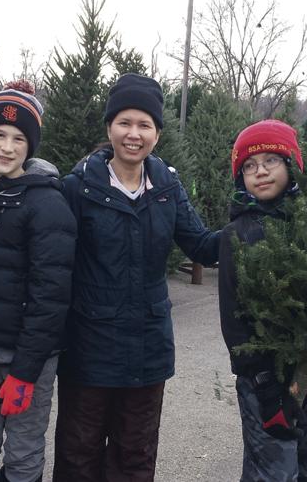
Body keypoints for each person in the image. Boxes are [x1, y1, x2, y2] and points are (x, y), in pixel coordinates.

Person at [53, 73, 220, 481]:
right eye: (125, 122)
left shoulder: (167, 188)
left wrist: (254, 221)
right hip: (88, 351)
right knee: (79, 456)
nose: (134, 134)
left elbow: (201, 245)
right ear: (109, 127)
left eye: (144, 125)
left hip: (148, 351)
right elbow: (54, 265)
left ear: (157, 134)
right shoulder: (78, 189)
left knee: (136, 457)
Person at [0, 80, 76, 482]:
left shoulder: (46, 203)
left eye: (19, 138)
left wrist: (25, 370)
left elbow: (51, 295)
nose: (7, 147)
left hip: (29, 362)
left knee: (23, 453)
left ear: (30, 146)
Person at [218, 119, 307, 482]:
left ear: (291, 164)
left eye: (271, 160)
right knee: (272, 471)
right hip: (264, 384)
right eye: (250, 167)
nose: (261, 172)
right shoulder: (236, 235)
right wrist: (265, 385)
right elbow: (234, 320)